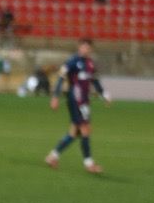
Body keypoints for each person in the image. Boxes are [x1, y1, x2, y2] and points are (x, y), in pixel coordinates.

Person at [46, 38, 111, 174]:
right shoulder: (72, 61)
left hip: (84, 101)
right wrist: (55, 96)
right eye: (83, 47)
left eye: (88, 47)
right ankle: (89, 164)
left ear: (91, 49)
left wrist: (104, 94)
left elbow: (95, 81)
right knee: (85, 129)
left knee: (75, 132)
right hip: (75, 99)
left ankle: (53, 156)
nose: (85, 49)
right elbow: (61, 78)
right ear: (79, 47)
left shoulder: (90, 64)